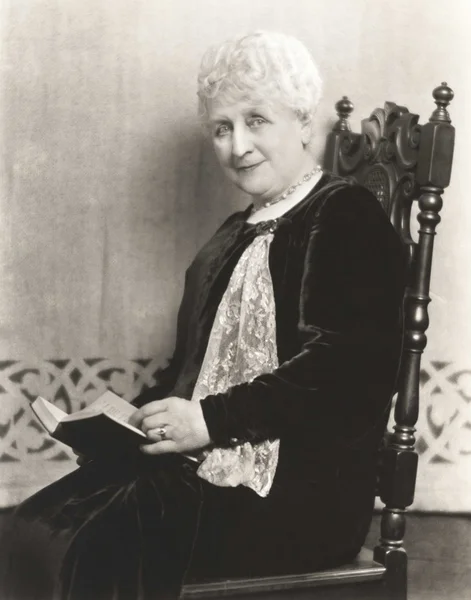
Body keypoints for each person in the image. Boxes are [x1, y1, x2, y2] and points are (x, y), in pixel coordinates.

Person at [3, 30, 406, 600]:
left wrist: (208, 421)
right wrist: (130, 422)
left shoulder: (344, 216)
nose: (237, 146)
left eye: (256, 120)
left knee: (94, 538)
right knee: (35, 521)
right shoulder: (230, 236)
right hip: (207, 466)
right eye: (222, 127)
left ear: (302, 122)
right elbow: (191, 368)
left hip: (299, 494)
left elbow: (346, 374)